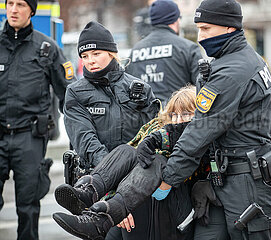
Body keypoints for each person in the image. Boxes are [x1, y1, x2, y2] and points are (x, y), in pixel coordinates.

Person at [146, 0, 271, 239]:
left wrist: (168, 179)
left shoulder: (233, 70)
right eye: (199, 28)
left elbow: (201, 130)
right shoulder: (235, 60)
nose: (200, 37)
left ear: (229, 27)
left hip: (248, 184)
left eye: (207, 29)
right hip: (226, 178)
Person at [53, 86, 200, 240]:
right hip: (142, 200)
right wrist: (111, 199)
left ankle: (107, 216)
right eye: (173, 114)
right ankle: (89, 194)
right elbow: (127, 165)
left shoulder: (201, 134)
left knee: (156, 162)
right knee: (127, 151)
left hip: (179, 206)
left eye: (185, 114)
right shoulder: (156, 127)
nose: (178, 120)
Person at [62, 21, 159, 240]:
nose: (90, 61)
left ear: (112, 52)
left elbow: (153, 139)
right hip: (98, 187)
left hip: (138, 189)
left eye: (96, 53)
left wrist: (127, 196)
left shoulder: (140, 89)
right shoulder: (76, 93)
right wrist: (113, 196)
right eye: (85, 56)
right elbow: (86, 142)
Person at [0, 0, 75, 239]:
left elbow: (68, 96)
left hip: (29, 138)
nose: (13, 9)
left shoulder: (47, 48)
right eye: (9, 3)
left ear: (31, 10)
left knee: (28, 206)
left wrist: (80, 136)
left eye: (20, 4)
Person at [126, 0, 202, 105]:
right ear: (175, 20)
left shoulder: (135, 51)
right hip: (179, 115)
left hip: (146, 118)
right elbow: (202, 87)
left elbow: (127, 89)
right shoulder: (187, 48)